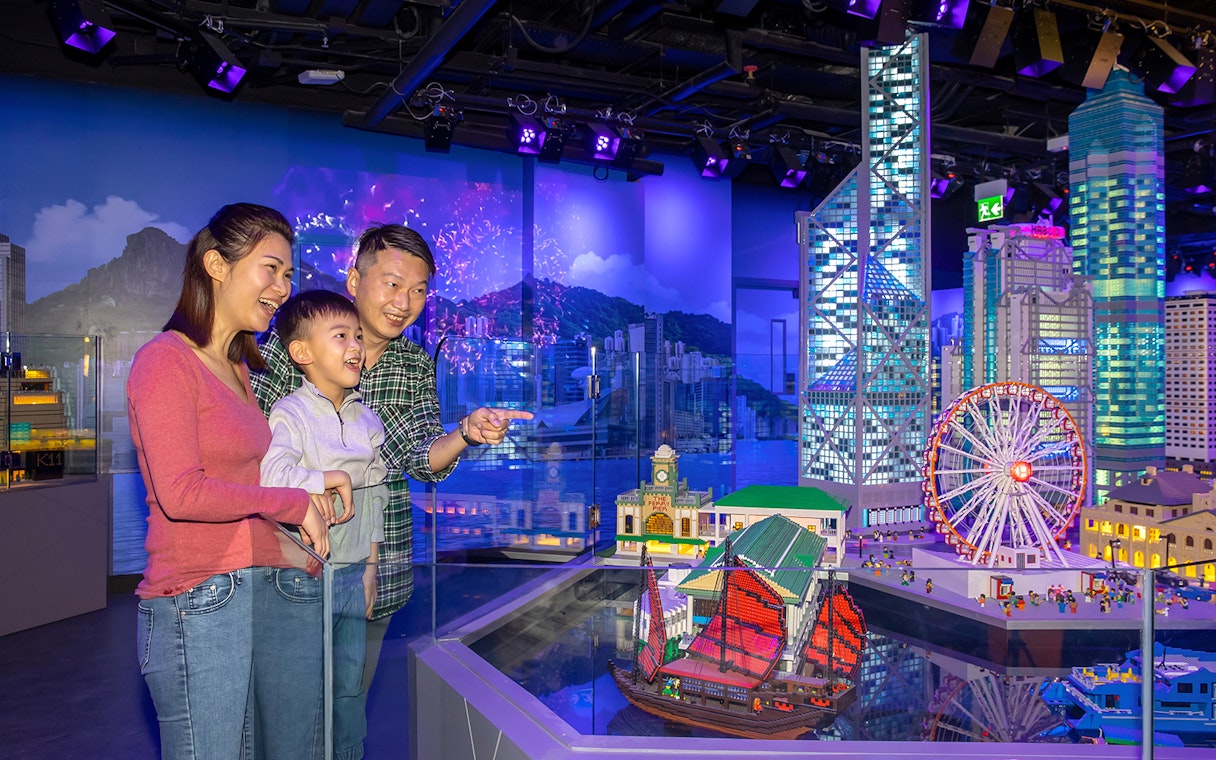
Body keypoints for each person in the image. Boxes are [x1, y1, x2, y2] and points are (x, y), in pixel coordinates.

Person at [252, 223, 533, 692]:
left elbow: (420, 454)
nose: (404, 303)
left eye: (419, 290)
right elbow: (256, 440)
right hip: (289, 557)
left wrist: (466, 432)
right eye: (393, 284)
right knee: (282, 706)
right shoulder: (295, 340)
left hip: (373, 563)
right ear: (355, 281)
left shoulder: (414, 365)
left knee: (349, 702)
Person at [128, 203, 335, 760]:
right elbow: (182, 493)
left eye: (288, 274)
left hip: (247, 592)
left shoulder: (241, 368)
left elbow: (245, 490)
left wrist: (297, 533)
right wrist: (293, 505)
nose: (282, 287)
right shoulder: (164, 362)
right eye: (271, 268)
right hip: (194, 598)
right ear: (217, 265)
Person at [260, 289, 386, 760]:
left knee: (349, 683)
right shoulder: (290, 413)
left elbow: (374, 497)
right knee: (301, 688)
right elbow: (271, 476)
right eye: (340, 336)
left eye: (357, 336)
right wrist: (322, 479)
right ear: (302, 352)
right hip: (301, 577)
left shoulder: (367, 419)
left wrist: (372, 567)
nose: (355, 345)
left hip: (354, 572)